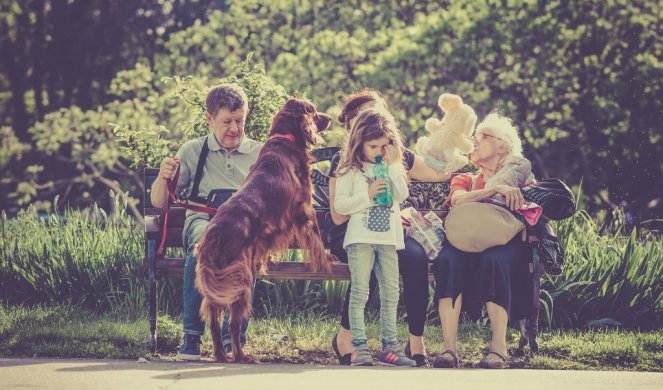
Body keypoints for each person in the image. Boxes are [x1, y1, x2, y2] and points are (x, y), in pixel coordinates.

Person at [329, 90, 451, 367]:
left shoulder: (394, 157)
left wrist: (464, 169)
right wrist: (368, 195)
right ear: (355, 127)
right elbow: (339, 214)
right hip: (355, 233)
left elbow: (425, 180)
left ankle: (403, 343)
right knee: (365, 277)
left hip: (388, 233)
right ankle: (352, 340)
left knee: (404, 272)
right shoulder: (346, 163)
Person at [150, 84, 263, 361]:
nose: (235, 129)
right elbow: (158, 202)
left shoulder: (259, 152)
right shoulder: (192, 151)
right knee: (203, 244)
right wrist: (163, 177)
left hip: (241, 226)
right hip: (203, 219)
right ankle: (191, 336)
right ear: (209, 119)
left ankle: (232, 337)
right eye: (227, 122)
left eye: (240, 120)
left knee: (245, 250)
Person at [432, 112, 533, 369]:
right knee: (447, 260)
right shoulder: (466, 178)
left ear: (502, 146)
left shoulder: (521, 177)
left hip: (504, 244)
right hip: (465, 241)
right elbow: (456, 200)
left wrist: (520, 194)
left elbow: (536, 209)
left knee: (495, 259)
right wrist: (494, 189)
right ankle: (448, 349)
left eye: (482, 137)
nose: (474, 142)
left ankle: (498, 349)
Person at [334, 108, 415, 367]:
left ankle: (389, 346)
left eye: (384, 145)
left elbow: (401, 195)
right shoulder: (350, 170)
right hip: (360, 239)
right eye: (373, 146)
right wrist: (367, 195)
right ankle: (359, 346)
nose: (379, 151)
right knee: (360, 292)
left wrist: (392, 166)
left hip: (389, 240)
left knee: (391, 292)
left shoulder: (392, 167)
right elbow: (341, 206)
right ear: (359, 143)